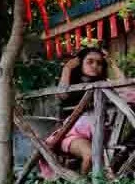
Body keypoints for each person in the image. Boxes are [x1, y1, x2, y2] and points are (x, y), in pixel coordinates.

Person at [50, 46, 125, 175]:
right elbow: (62, 95)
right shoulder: (72, 86)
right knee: (91, 156)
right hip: (71, 135)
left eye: (99, 63)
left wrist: (112, 65)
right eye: (90, 61)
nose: (95, 65)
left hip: (101, 136)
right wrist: (67, 69)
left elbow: (126, 89)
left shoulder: (104, 86)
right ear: (79, 64)